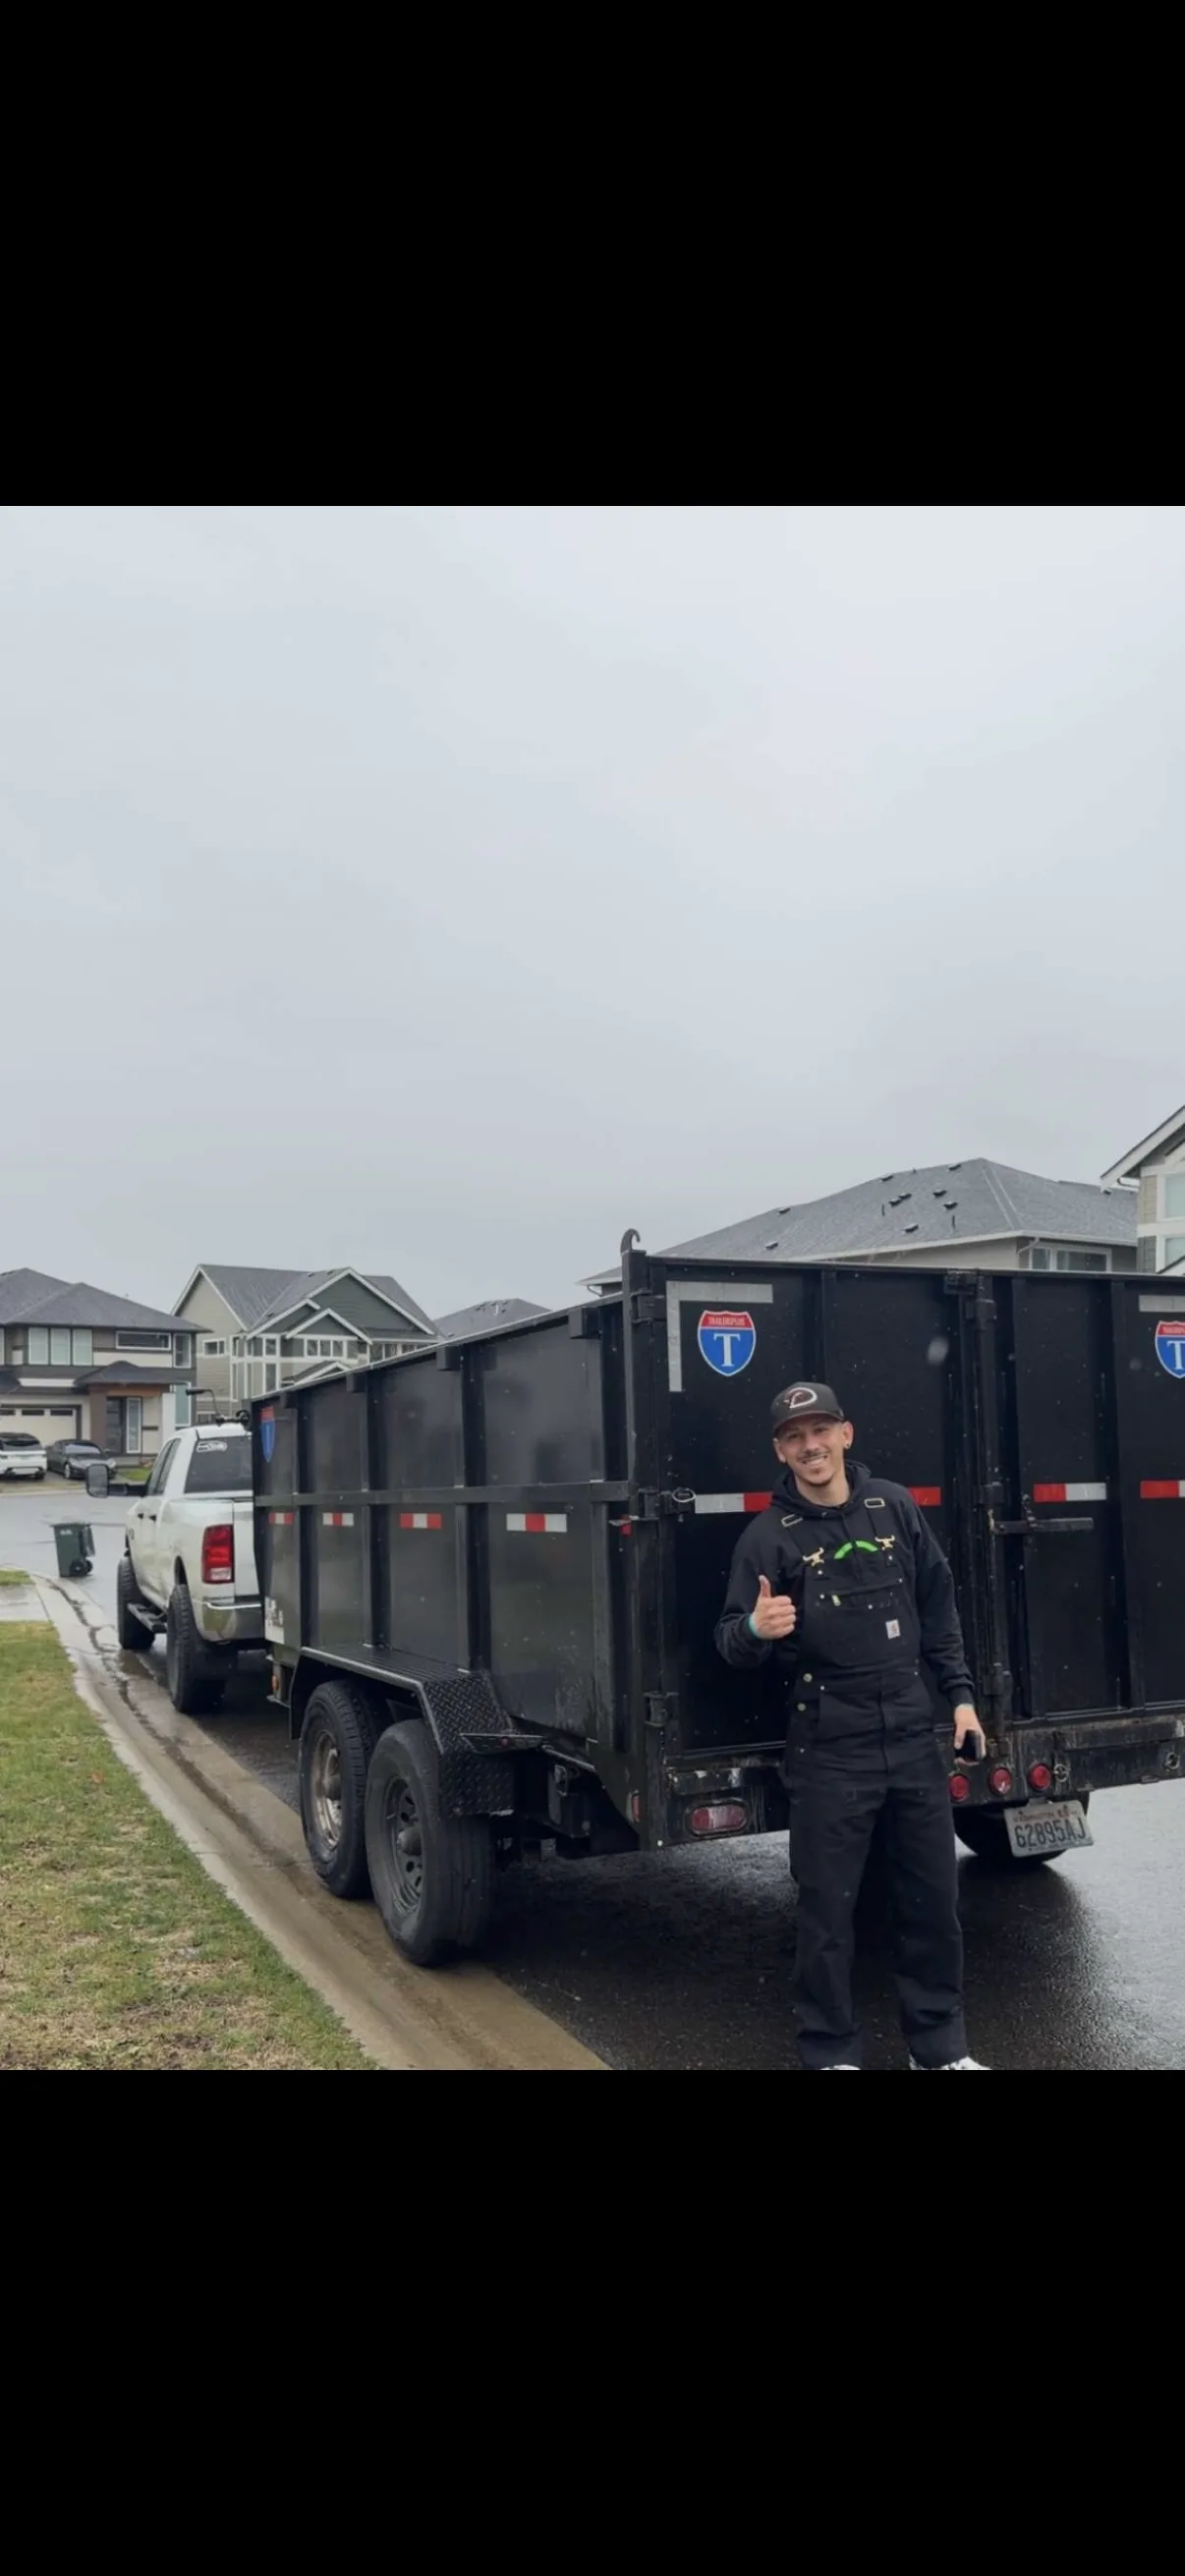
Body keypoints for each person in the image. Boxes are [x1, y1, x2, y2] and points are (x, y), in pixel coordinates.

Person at [715, 1381, 987, 2071]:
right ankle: (831, 2052)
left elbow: (937, 1606)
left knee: (931, 1904)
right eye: (795, 1436)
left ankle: (940, 2050)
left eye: (821, 1430)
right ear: (780, 1450)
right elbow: (727, 1641)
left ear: (846, 1434)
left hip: (911, 1733)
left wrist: (959, 1698)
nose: (811, 1446)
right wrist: (755, 1627)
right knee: (828, 1917)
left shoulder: (893, 1506)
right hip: (829, 1747)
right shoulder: (766, 1538)